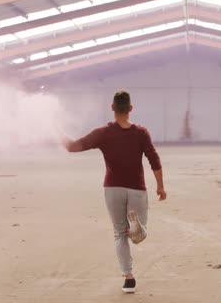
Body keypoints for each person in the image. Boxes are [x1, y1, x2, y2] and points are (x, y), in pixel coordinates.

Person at [59, 90, 167, 294]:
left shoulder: (103, 133)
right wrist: (160, 186)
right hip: (136, 188)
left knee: (119, 234)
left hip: (112, 189)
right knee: (138, 235)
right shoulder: (141, 133)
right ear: (131, 109)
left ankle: (128, 278)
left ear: (112, 108)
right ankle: (135, 226)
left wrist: (59, 133)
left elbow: (74, 146)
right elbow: (154, 160)